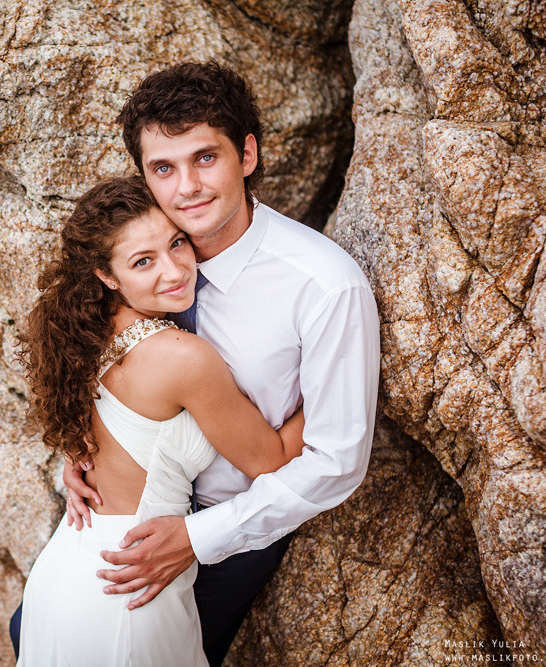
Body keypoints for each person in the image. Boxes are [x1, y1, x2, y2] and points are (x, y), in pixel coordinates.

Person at [57, 61, 382, 666]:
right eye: (164, 168)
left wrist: (201, 538)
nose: (187, 188)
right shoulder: (139, 258)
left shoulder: (325, 287)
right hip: (118, 507)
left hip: (227, 529)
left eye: (205, 157)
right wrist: (80, 453)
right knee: (41, 634)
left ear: (247, 155)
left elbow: (337, 460)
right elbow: (97, 363)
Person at [14, 176, 308, 666]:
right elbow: (271, 459)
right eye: (143, 261)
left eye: (176, 243)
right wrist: (334, 379)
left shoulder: (85, 331)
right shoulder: (181, 357)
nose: (174, 271)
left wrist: (76, 463)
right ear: (107, 276)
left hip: (72, 563)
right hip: (132, 582)